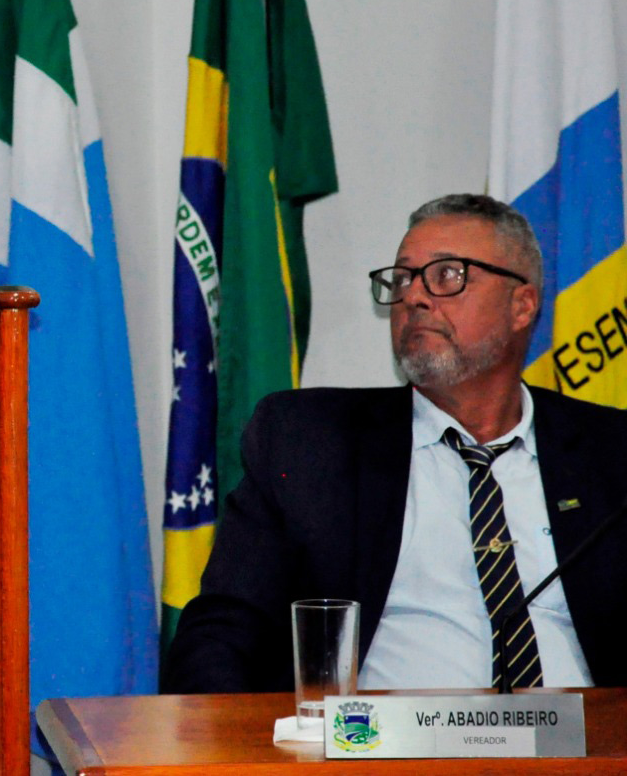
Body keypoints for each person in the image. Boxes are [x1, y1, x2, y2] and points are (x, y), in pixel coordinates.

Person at [163, 194, 627, 693]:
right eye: (403, 279)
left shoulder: (613, 453)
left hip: (586, 737)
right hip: (384, 738)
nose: (414, 297)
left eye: (447, 275)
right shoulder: (309, 442)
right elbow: (222, 633)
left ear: (522, 305)